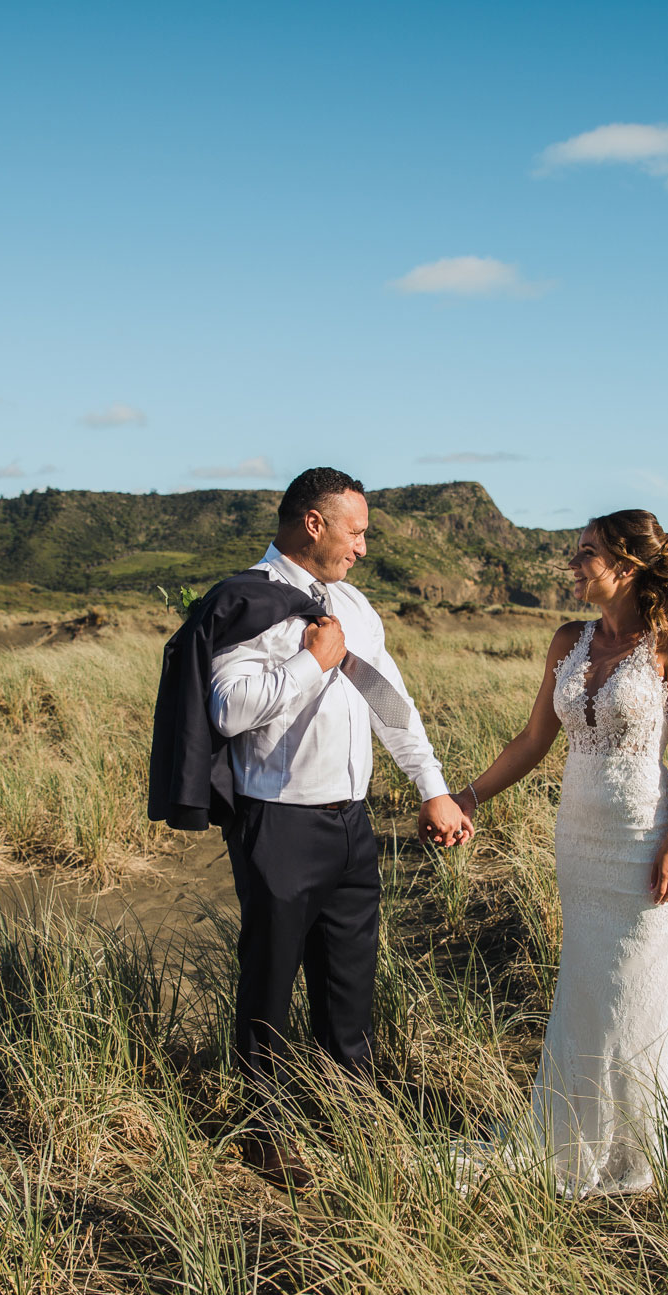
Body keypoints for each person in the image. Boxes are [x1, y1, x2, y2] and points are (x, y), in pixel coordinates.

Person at [148, 466, 473, 1188]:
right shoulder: (247, 601)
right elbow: (227, 708)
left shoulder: (355, 606)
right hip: (280, 826)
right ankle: (260, 1132)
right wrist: (308, 662)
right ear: (314, 524)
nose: (363, 545)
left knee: (350, 984)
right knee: (269, 980)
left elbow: (394, 702)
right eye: (355, 530)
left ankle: (351, 1113)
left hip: (353, 825)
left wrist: (433, 788)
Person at [450, 509, 668, 1195]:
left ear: (625, 566)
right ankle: (578, 1129)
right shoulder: (568, 639)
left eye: (586, 552)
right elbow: (534, 739)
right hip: (579, 840)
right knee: (589, 981)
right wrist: (470, 796)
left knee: (642, 984)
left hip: (644, 839)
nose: (572, 563)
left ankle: (651, 1143)